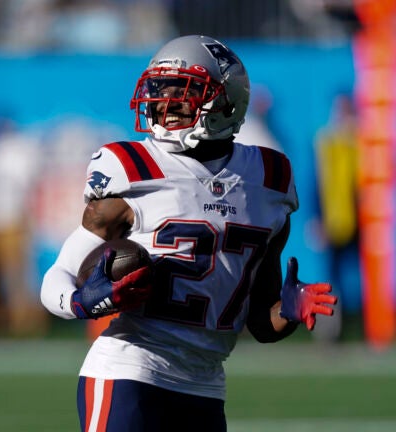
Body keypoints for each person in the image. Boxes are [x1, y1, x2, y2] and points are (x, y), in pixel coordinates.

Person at [39, 35, 338, 432]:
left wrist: (287, 311)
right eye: (159, 90)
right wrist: (82, 302)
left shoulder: (269, 180)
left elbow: (262, 326)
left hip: (206, 384)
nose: (163, 104)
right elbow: (55, 279)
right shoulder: (132, 169)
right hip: (130, 369)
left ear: (225, 102)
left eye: (182, 92)